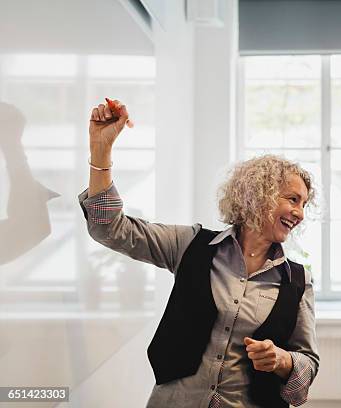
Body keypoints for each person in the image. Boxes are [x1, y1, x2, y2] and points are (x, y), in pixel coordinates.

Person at [78, 99, 319, 407]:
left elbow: (308, 362)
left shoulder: (298, 280)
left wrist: (283, 360)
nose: (299, 213)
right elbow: (109, 228)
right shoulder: (190, 245)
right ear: (260, 195)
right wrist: (101, 151)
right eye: (293, 199)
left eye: (304, 204)